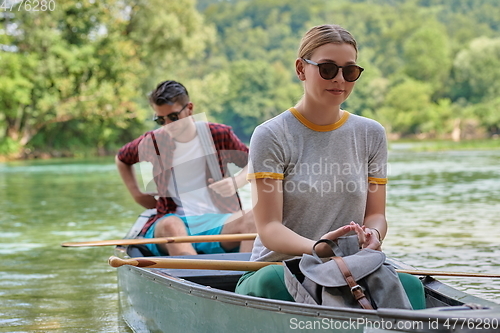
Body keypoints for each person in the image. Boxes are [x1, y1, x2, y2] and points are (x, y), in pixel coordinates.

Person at [235, 24, 425, 309]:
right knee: (271, 283)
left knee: (412, 286)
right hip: (282, 268)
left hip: (350, 268)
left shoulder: (371, 134)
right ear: (301, 69)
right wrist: (315, 247)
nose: (339, 80)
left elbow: (376, 215)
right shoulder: (271, 135)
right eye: (327, 69)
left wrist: (374, 234)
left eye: (349, 72)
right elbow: (269, 229)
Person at [116, 80, 255, 256]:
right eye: (161, 120)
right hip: (172, 222)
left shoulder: (218, 134)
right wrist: (137, 195)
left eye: (173, 117)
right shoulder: (154, 141)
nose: (168, 125)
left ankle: (245, 278)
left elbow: (254, 161)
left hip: (218, 222)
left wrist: (237, 181)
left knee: (254, 217)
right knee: (171, 225)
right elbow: (122, 158)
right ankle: (200, 279)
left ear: (189, 109)